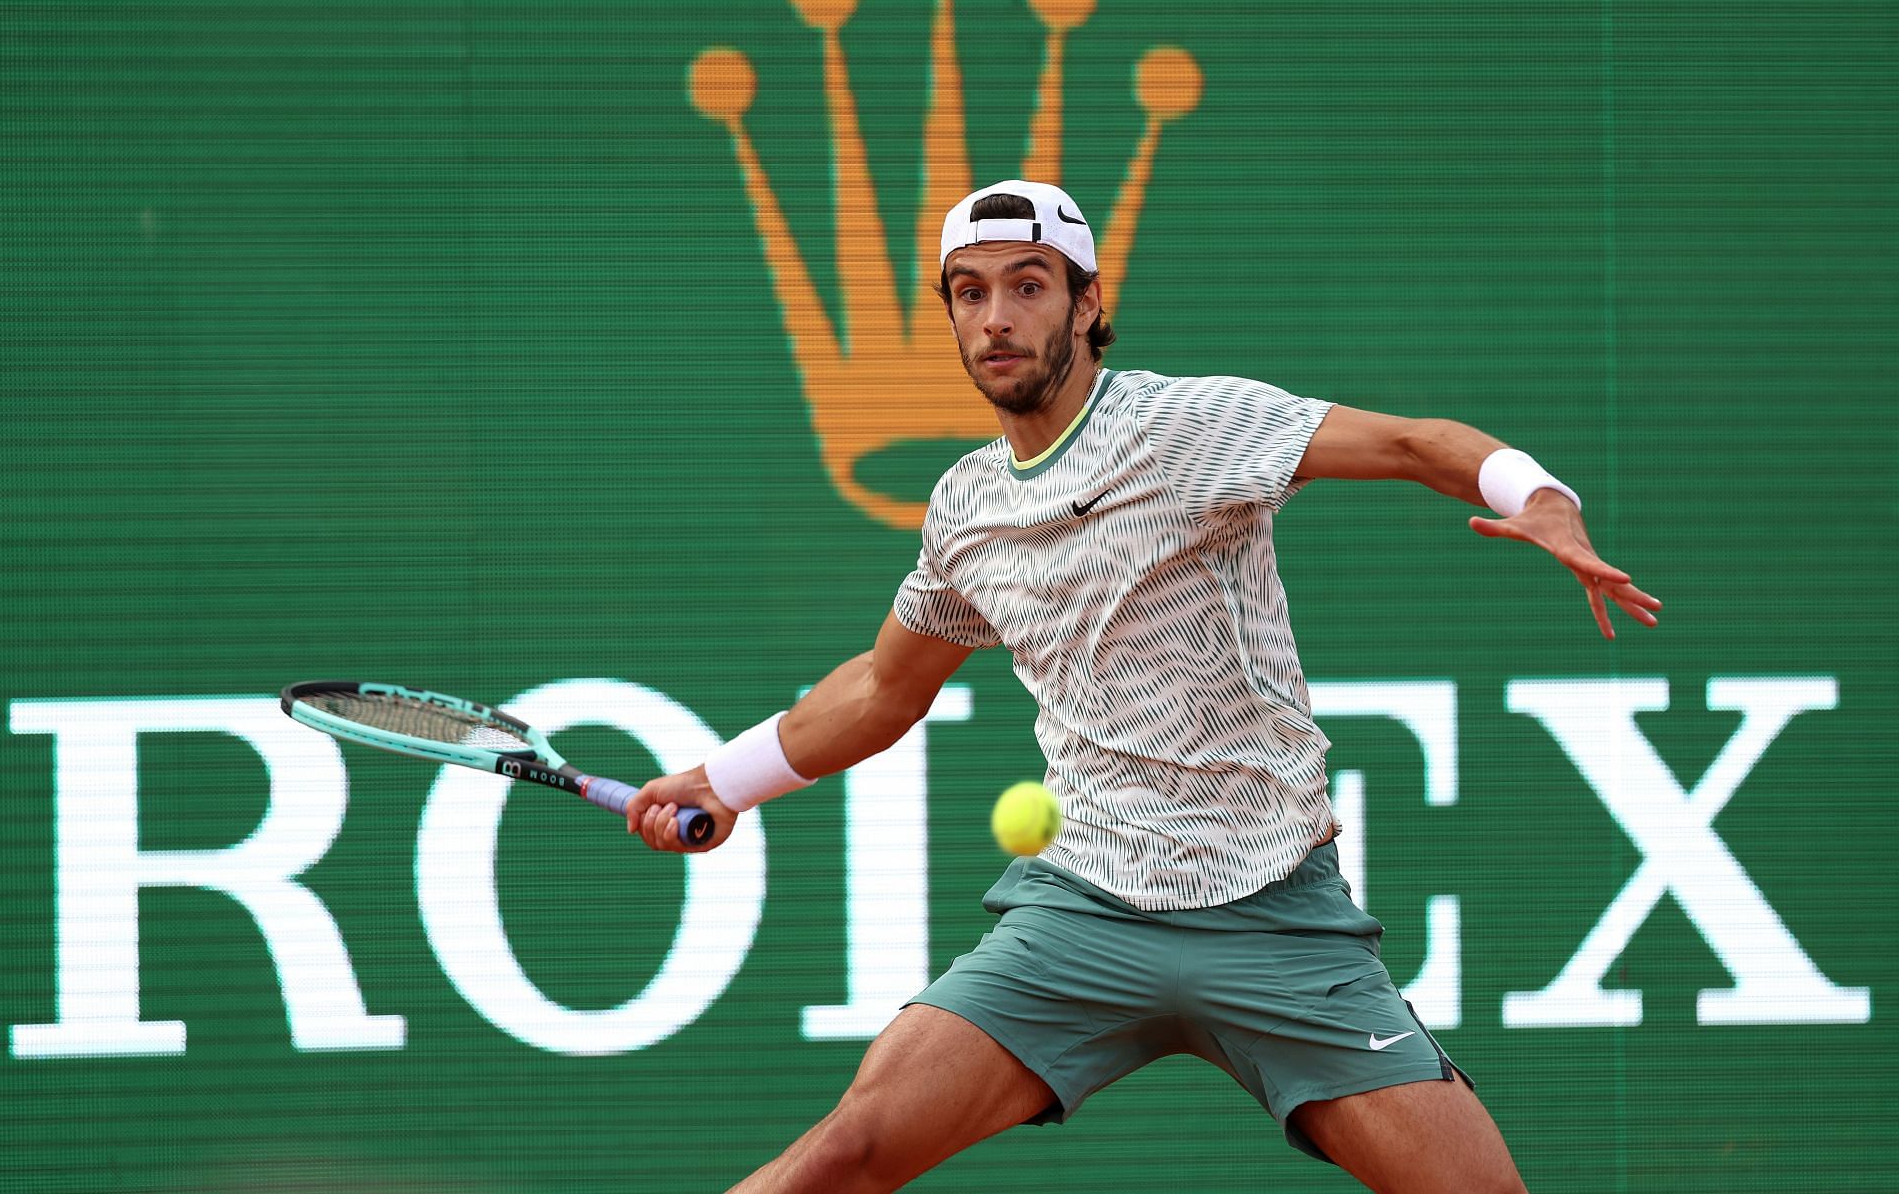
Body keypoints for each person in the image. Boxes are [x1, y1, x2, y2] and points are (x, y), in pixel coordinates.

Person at [627, 180, 1660, 1193]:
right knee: (847, 1155)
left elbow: (1411, 444)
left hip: (1274, 919)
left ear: (1086, 302)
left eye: (1029, 286)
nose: (996, 317)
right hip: (1081, 918)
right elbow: (883, 690)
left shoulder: (1192, 429)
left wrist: (1543, 498)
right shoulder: (966, 507)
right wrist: (727, 780)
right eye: (969, 291)